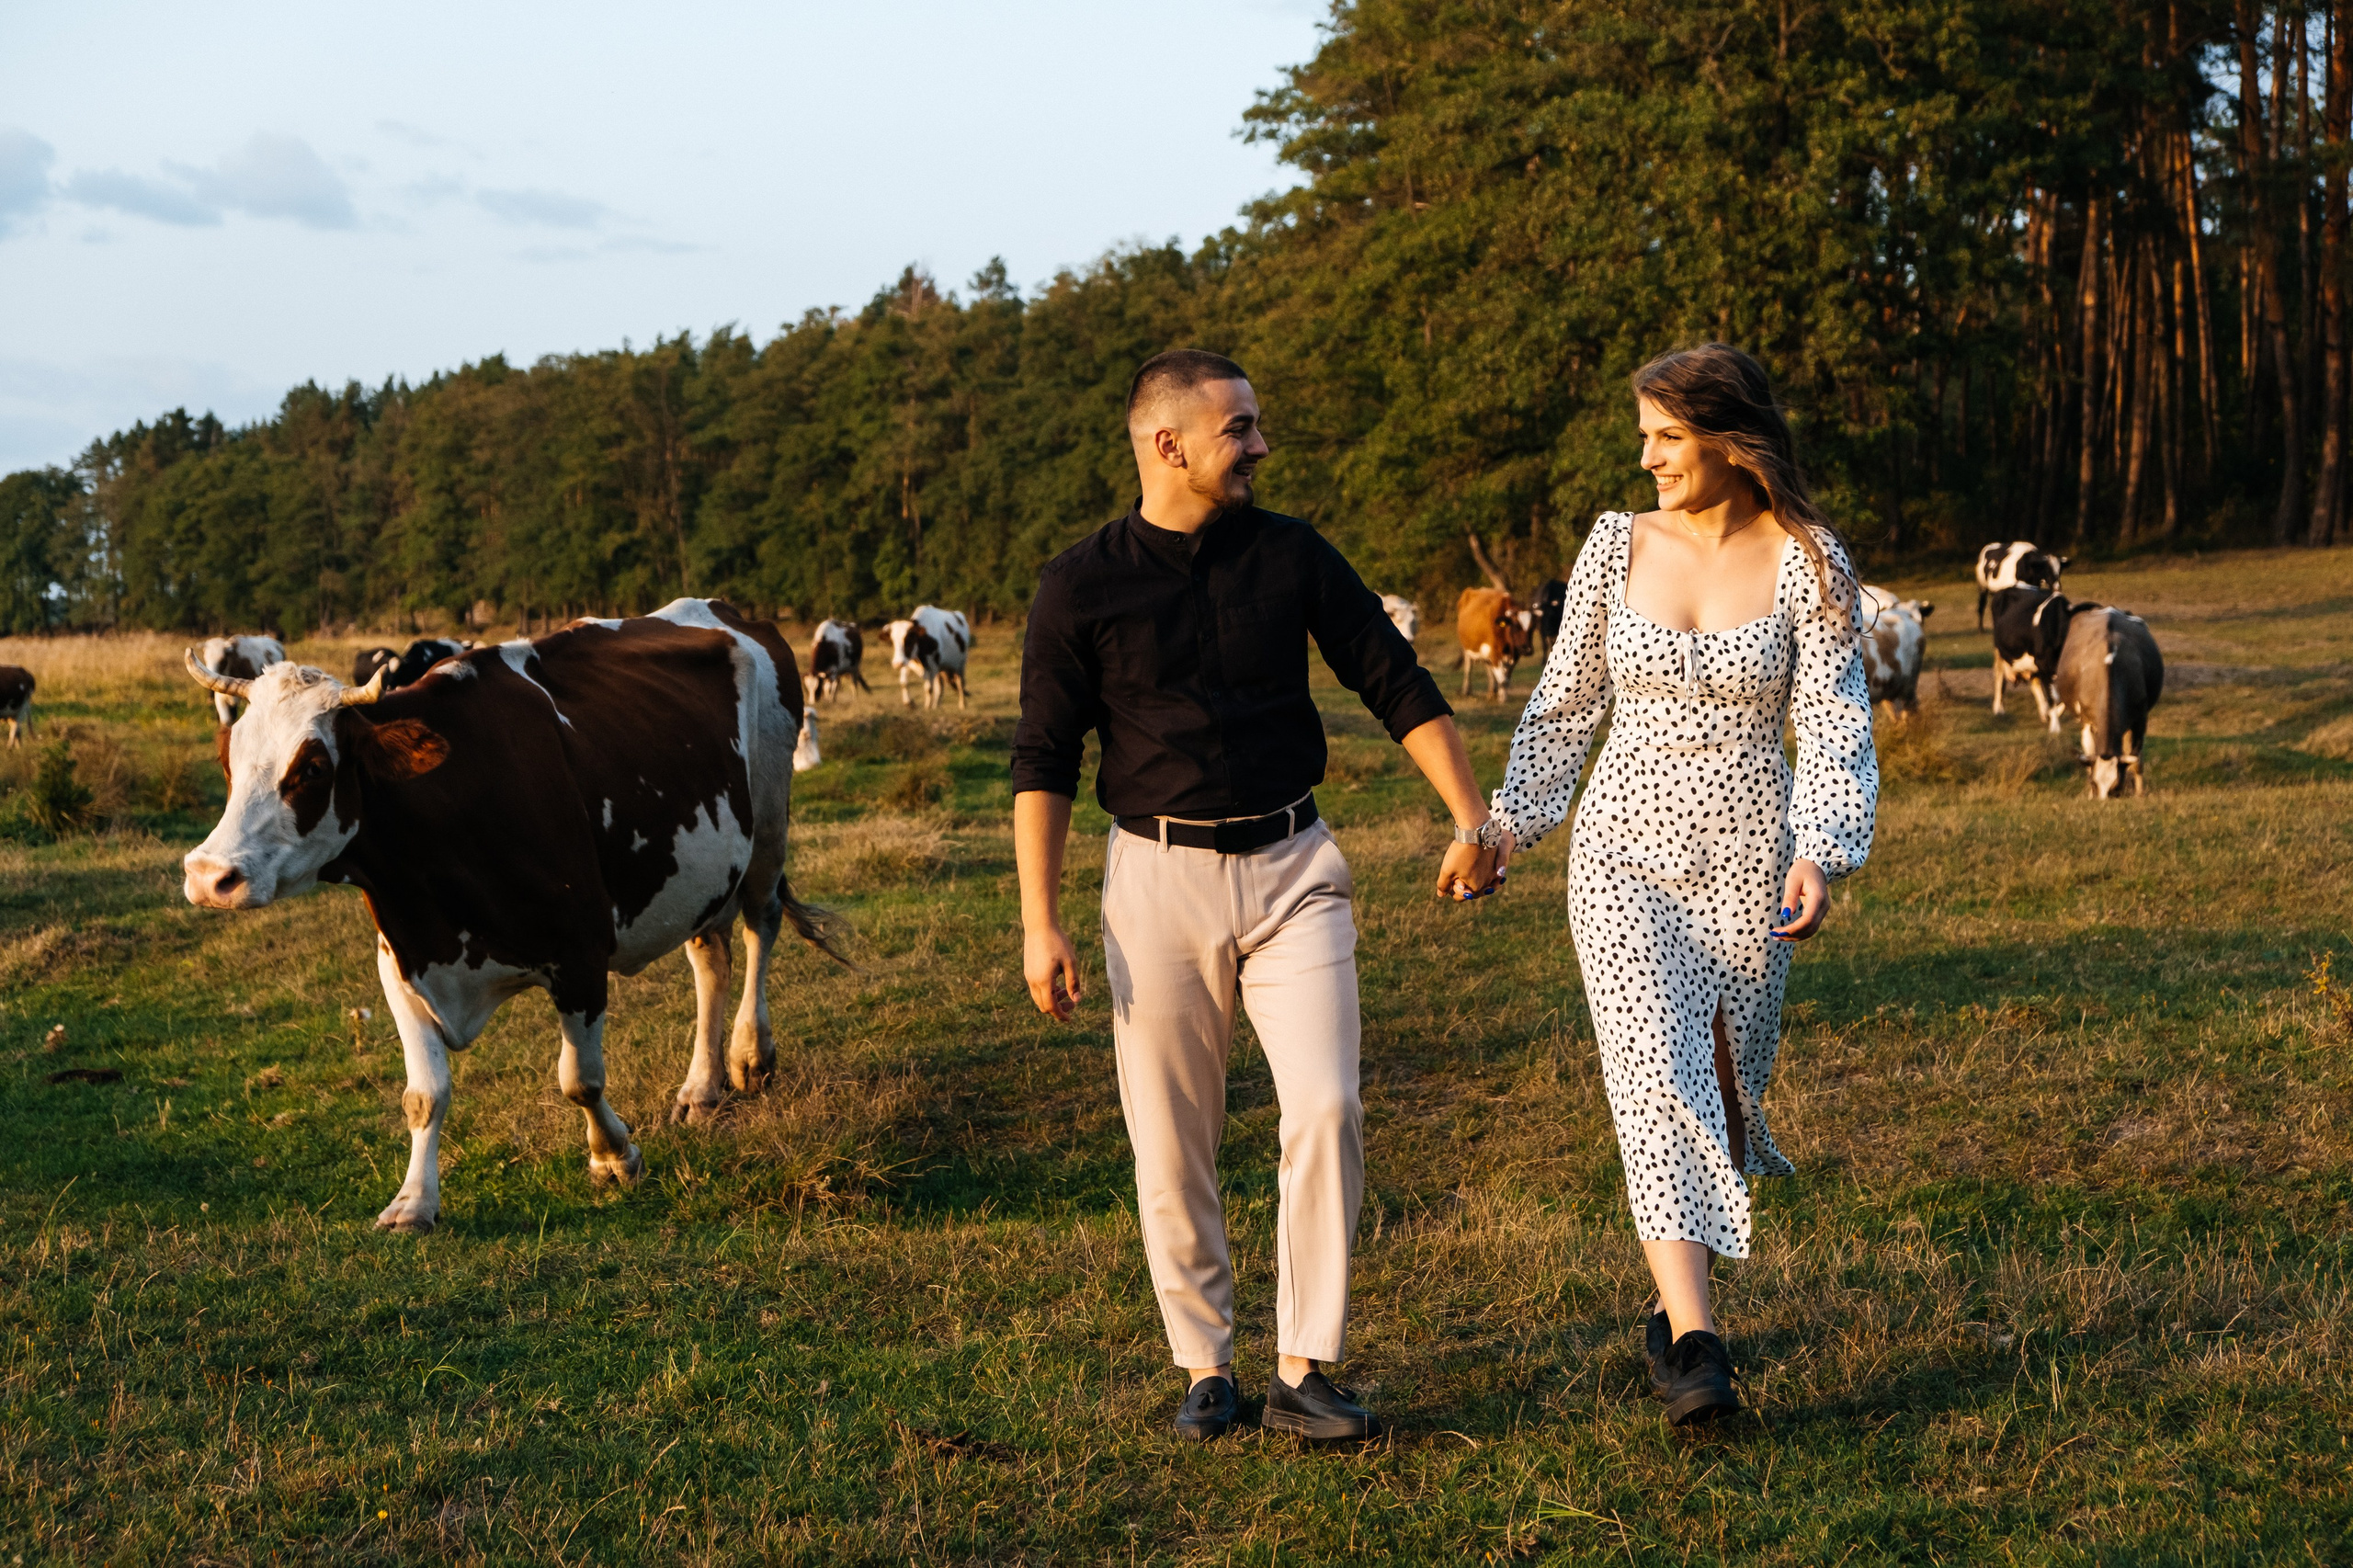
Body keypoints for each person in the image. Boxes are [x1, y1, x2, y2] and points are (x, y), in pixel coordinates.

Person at [1010, 349, 1507, 1442]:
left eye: (1256, 424)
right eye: (1239, 428)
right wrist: (1040, 921)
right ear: (1167, 443)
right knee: (1170, 1137)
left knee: (1326, 1106)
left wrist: (1471, 817)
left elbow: (1393, 678)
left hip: (1295, 869)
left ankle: (1304, 1367)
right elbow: (1041, 757)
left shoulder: (1292, 554)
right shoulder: (1078, 583)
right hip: (1155, 879)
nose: (1260, 445)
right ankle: (1205, 1365)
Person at [1483, 344, 1877, 1426]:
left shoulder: (1811, 558)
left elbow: (1836, 717)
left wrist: (1822, 847)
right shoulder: (1616, 545)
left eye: (1666, 435)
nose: (1646, 455)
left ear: (1730, 438)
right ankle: (1696, 1342)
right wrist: (1507, 822)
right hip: (1621, 852)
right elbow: (1563, 706)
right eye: (1644, 434)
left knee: (1724, 1082)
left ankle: (1673, 1307)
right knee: (1654, 1071)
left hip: (1753, 856)